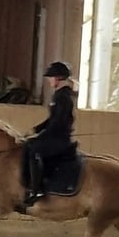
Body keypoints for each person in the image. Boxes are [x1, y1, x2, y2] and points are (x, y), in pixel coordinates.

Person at [23, 61, 78, 204]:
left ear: (58, 78)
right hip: (54, 136)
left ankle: (37, 190)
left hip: (59, 139)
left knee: (35, 151)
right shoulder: (59, 95)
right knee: (28, 145)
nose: (48, 81)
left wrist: (42, 135)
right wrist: (35, 130)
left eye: (50, 77)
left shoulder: (63, 97)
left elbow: (58, 122)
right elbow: (51, 119)